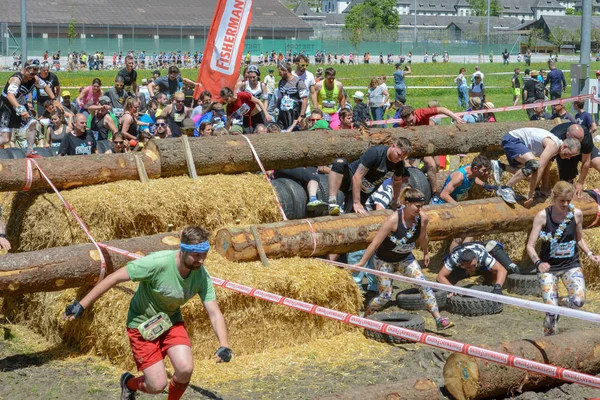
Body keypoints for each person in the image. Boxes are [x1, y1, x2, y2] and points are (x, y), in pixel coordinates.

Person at [63, 225, 231, 399]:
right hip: (141, 325)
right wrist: (81, 305)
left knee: (185, 368)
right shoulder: (156, 263)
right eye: (197, 255)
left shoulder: (201, 276)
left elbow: (214, 313)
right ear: (183, 250)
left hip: (170, 321)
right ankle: (128, 383)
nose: (201, 260)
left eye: (204, 255)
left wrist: (224, 345)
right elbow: (114, 278)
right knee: (157, 385)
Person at [355, 188, 454, 331]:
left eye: (422, 206)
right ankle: (364, 317)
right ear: (407, 203)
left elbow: (423, 237)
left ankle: (438, 319)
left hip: (405, 258)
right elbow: (375, 243)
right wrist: (362, 262)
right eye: (417, 206)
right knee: (385, 295)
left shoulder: (422, 218)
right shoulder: (393, 220)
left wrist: (426, 252)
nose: (420, 209)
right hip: (384, 260)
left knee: (423, 284)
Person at [526, 182, 600, 336]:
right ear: (554, 197)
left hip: (570, 264)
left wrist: (590, 254)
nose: (565, 204)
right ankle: (550, 341)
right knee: (551, 314)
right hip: (548, 267)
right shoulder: (542, 216)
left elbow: (579, 239)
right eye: (562, 201)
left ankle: (559, 303)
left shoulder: (576, 214)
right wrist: (538, 263)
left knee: (578, 301)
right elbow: (530, 245)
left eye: (569, 200)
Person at [494, 128, 581, 205]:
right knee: (533, 164)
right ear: (564, 146)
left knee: (532, 177)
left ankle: (501, 167)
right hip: (513, 140)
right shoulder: (553, 145)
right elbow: (539, 168)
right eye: (569, 154)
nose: (569, 158)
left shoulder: (556, 150)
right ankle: (505, 188)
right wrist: (531, 194)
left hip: (518, 144)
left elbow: (546, 169)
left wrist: (544, 189)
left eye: (571, 157)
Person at [327, 137, 412, 216]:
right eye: (398, 154)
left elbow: (397, 181)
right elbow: (357, 176)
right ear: (393, 146)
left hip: (364, 190)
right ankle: (332, 202)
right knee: (339, 162)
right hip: (351, 178)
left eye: (403, 157)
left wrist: (395, 200)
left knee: (354, 215)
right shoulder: (376, 153)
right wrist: (356, 202)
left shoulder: (399, 164)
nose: (399, 159)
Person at [0, 59, 62, 155]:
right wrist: (20, 109)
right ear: (26, 69)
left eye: (35, 73)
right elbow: (10, 95)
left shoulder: (34, 79)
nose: (33, 76)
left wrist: (54, 99)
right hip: (7, 106)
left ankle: (30, 151)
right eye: (32, 74)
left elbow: (45, 86)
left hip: (20, 103)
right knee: (5, 139)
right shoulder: (16, 79)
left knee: (32, 123)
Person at [399, 105, 465, 196]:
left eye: (411, 120)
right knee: (430, 164)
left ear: (414, 114)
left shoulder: (422, 112)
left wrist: (456, 118)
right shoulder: (402, 125)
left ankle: (421, 176)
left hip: (427, 142)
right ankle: (434, 193)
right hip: (414, 145)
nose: (410, 124)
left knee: (437, 165)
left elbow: (441, 109)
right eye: (407, 122)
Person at [551, 122, 600, 198]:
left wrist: (580, 183)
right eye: (576, 139)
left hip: (583, 150)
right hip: (566, 152)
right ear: (567, 135)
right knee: (567, 183)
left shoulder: (586, 137)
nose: (578, 143)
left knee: (597, 163)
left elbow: (586, 161)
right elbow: (546, 163)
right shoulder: (555, 136)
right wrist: (544, 187)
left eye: (580, 140)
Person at [436, 241, 512, 290]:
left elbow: (502, 270)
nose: (472, 269)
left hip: (480, 267)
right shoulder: (455, 257)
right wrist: (451, 289)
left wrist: (498, 287)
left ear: (476, 258)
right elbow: (440, 276)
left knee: (495, 270)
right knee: (441, 287)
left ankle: (487, 284)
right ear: (462, 262)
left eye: (473, 265)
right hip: (461, 270)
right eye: (468, 267)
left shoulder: (482, 255)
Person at [275, 62, 308, 130]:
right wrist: (277, 110)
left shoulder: (298, 82)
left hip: (295, 114)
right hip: (283, 115)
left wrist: (301, 116)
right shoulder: (281, 82)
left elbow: (305, 100)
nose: (279, 74)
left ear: (286, 71)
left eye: (280, 72)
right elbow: (279, 98)